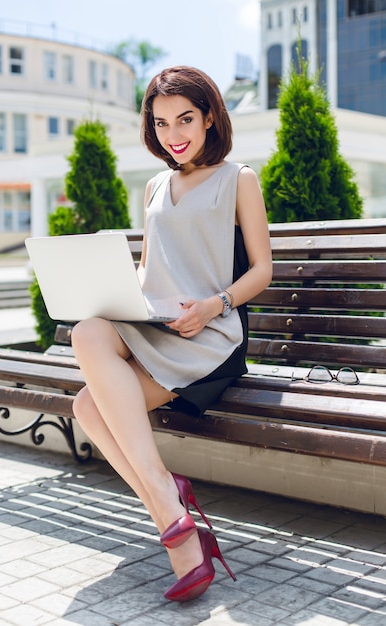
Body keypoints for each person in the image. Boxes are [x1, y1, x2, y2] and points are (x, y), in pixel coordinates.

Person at [71, 65, 272, 602]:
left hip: (211, 334)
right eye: (161, 124)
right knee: (88, 333)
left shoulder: (239, 179)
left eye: (184, 119)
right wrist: (119, 294)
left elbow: (262, 270)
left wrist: (212, 306)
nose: (174, 134)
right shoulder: (156, 185)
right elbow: (150, 269)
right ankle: (168, 501)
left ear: (209, 117)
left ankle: (172, 517)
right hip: (159, 325)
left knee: (90, 408)